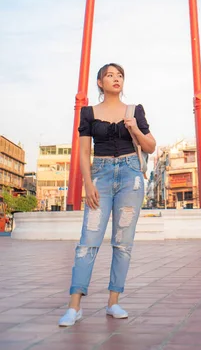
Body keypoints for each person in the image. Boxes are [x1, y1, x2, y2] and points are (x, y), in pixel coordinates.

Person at [59, 63, 156, 327]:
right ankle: (74, 306)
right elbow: (83, 152)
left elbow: (151, 145)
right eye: (110, 75)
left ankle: (113, 301)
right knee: (88, 241)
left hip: (130, 175)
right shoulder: (88, 112)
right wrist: (87, 184)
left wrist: (134, 128)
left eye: (120, 75)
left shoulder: (135, 110)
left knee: (122, 242)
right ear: (100, 82)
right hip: (100, 174)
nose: (116, 79)